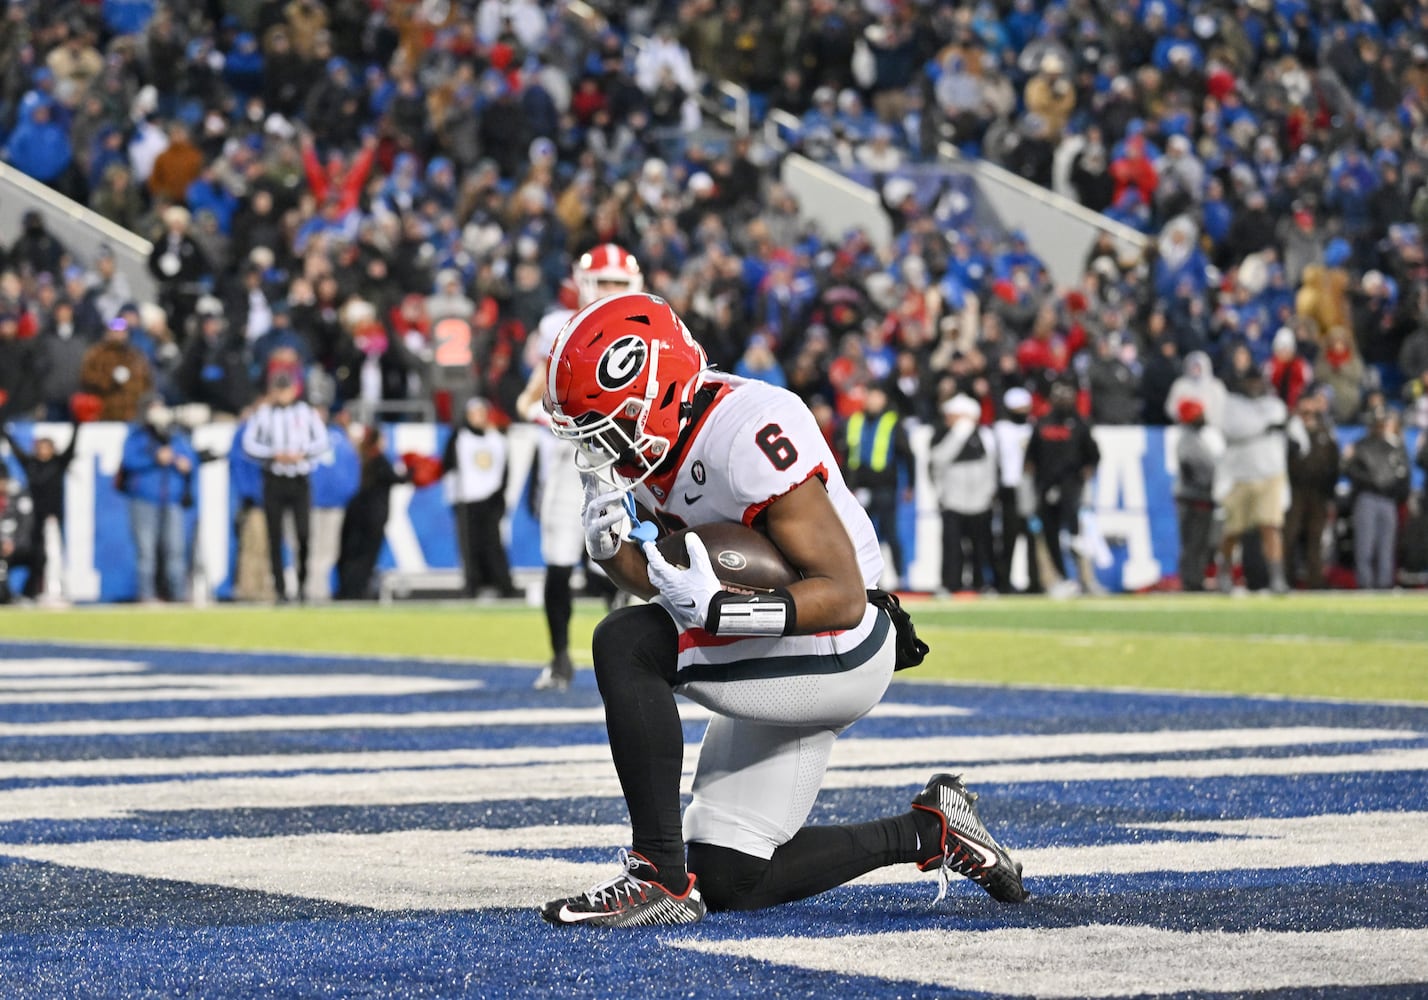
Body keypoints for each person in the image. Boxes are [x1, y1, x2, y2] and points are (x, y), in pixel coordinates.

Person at [537, 292, 1025, 928]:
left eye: (614, 429)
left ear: (656, 395)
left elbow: (843, 593)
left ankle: (658, 876)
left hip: (842, 640)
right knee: (731, 876)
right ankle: (931, 831)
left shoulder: (748, 430)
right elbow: (672, 588)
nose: (609, 452)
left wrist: (720, 612)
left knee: (625, 644)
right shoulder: (661, 446)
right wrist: (615, 559)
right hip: (782, 642)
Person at [517, 246, 645, 690]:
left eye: (617, 282)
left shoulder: (649, 325)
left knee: (627, 558)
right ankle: (559, 659)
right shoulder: (558, 326)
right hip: (569, 462)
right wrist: (556, 418)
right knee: (558, 557)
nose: (609, 291)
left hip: (623, 466)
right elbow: (529, 398)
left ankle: (626, 659)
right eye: (603, 281)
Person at [241, 371, 332, 603]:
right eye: (278, 389)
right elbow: (248, 443)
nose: (282, 394)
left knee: (303, 534)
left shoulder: (305, 412)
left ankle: (302, 584)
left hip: (299, 479)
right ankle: (280, 589)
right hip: (274, 479)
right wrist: (274, 455)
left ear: (293, 390)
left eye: (286, 389)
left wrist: (302, 454)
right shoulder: (263, 414)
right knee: (275, 535)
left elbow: (322, 440)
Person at [1216, 369, 1290, 594]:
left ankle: (1277, 577)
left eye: (1259, 381)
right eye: (1252, 381)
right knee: (1232, 531)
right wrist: (1265, 426)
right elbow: (1234, 429)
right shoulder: (1231, 405)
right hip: (1239, 476)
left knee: (1271, 526)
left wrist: (1265, 425)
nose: (1256, 386)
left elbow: (1281, 420)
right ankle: (1224, 572)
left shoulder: (1274, 405)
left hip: (1270, 475)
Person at [118, 397, 197, 603]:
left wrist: (183, 463)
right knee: (146, 551)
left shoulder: (175, 436)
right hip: (145, 499)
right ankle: (146, 595)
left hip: (172, 499)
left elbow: (191, 460)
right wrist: (154, 457)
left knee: (176, 550)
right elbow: (128, 461)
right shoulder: (138, 436)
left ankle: (179, 595)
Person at [838, 383, 916, 588]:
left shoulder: (892, 422)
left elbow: (907, 455)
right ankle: (866, 578)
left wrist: (910, 485)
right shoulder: (854, 421)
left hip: (885, 487)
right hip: (858, 488)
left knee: (890, 532)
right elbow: (846, 456)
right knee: (859, 536)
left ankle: (900, 577)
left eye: (876, 396)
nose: (872, 401)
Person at [1025, 381, 1101, 590]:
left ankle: (1085, 578)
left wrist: (1086, 471)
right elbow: (1030, 458)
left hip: (1071, 486)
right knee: (1049, 535)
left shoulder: (1080, 424)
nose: (1063, 401)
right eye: (1059, 397)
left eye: (1067, 396)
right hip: (1046, 486)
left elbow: (1093, 455)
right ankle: (1059, 579)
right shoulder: (1042, 424)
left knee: (1078, 534)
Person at [441, 396, 518, 599]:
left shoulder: (497, 440)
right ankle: (472, 585)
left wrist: (500, 498)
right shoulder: (459, 438)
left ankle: (502, 585)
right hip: (466, 499)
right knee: (469, 545)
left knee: (493, 544)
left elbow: (504, 472)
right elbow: (448, 466)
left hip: (490, 499)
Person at [0, 419, 79, 601]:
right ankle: (29, 593)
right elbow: (15, 449)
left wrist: (78, 424)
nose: (43, 451)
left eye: (47, 447)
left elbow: (71, 449)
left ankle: (46, 590)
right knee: (37, 553)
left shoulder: (58, 464)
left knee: (52, 555)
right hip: (34, 520)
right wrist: (3, 424)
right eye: (40, 447)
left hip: (53, 516)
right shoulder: (31, 465)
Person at [927, 394, 998, 593]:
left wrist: (989, 493)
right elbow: (938, 459)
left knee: (981, 546)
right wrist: (958, 435)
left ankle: (981, 583)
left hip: (980, 501)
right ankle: (950, 584)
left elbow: (991, 466)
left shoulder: (985, 436)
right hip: (953, 499)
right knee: (951, 546)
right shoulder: (943, 435)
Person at [336, 426, 410, 600]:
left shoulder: (359, 458)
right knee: (367, 556)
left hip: (354, 512)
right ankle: (357, 591)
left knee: (351, 553)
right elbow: (398, 479)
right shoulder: (378, 459)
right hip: (373, 515)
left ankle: (346, 590)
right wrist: (413, 469)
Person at [1344, 407, 1411, 589]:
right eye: (1378, 423)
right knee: (1365, 545)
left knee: (1386, 545)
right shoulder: (1361, 445)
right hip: (1366, 497)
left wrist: (1392, 490)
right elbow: (1351, 471)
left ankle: (1384, 584)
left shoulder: (1394, 446)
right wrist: (1372, 483)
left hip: (1388, 499)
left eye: (1383, 423)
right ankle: (1364, 583)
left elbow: (1403, 475)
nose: (1381, 427)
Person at [1283, 391, 1340, 589]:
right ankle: (1286, 579)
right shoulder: (1290, 434)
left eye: (1311, 411)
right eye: (1304, 411)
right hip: (1294, 492)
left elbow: (1334, 464)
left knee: (1315, 539)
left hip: (1318, 493)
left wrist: (1329, 492)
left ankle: (1315, 581)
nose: (1307, 415)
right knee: (1289, 536)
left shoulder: (1326, 433)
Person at [992, 387, 1040, 594]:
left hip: (1029, 487)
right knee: (1008, 538)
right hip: (1009, 487)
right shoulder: (1000, 429)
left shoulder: (1034, 428)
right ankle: (1003, 581)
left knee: (1032, 536)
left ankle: (1035, 580)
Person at [1172, 399, 1222, 592]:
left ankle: (1195, 578)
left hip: (1197, 496)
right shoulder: (1188, 440)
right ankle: (1191, 580)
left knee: (1200, 542)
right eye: (1199, 414)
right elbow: (1195, 469)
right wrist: (1210, 482)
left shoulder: (1195, 438)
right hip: (1194, 497)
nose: (1203, 418)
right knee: (1194, 542)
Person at [0, 464, 34, 605]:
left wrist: (13, 542)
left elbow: (26, 525)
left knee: (39, 556)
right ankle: (4, 595)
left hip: (18, 547)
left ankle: (29, 594)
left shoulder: (19, 494)